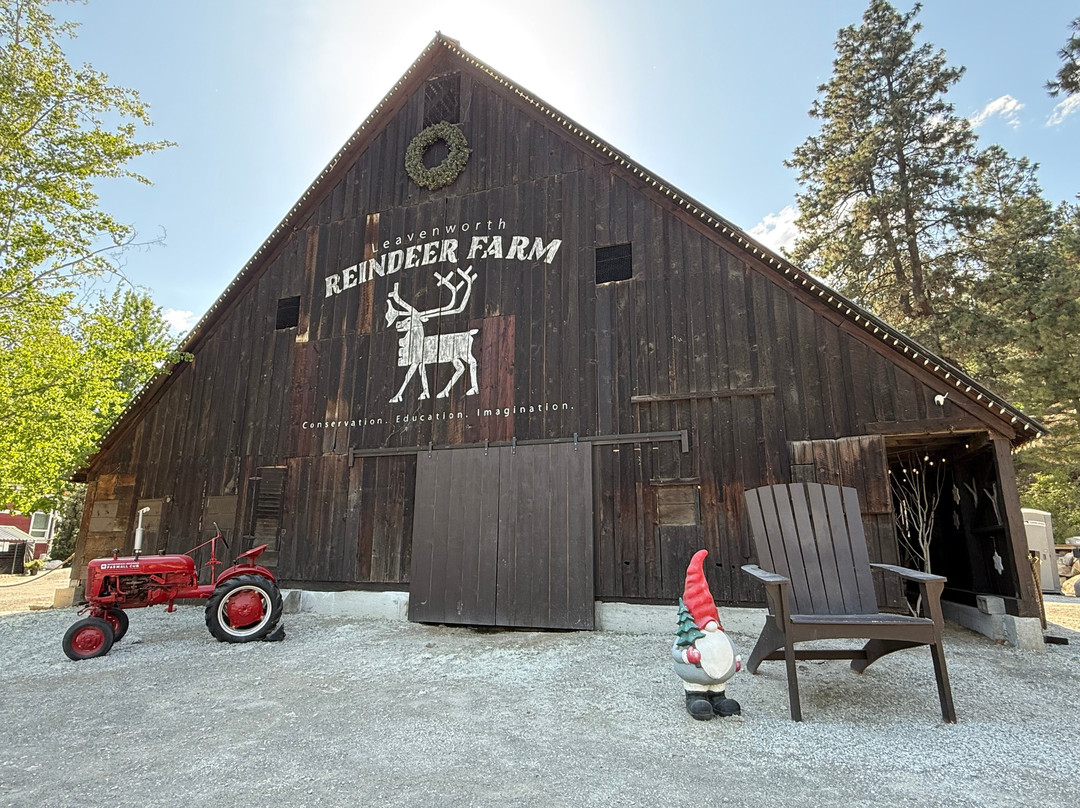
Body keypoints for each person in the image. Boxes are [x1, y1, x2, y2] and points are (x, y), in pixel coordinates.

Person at [672, 549, 741, 720]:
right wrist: (687, 656)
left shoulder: (719, 633)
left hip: (720, 678)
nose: (710, 623)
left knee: (720, 692)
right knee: (699, 699)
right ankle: (696, 697)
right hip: (696, 679)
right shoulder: (689, 636)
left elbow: (730, 647)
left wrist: (735, 659)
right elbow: (676, 653)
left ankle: (719, 698)